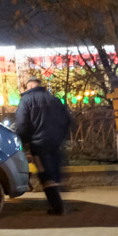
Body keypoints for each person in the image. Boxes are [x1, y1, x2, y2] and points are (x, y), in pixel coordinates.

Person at [15, 77, 73, 215]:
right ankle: (60, 203)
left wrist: (23, 143)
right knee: (54, 171)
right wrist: (60, 136)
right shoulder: (54, 99)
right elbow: (67, 120)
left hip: (39, 144)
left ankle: (57, 207)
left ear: (28, 87)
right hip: (56, 142)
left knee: (46, 175)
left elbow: (22, 124)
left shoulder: (26, 101)